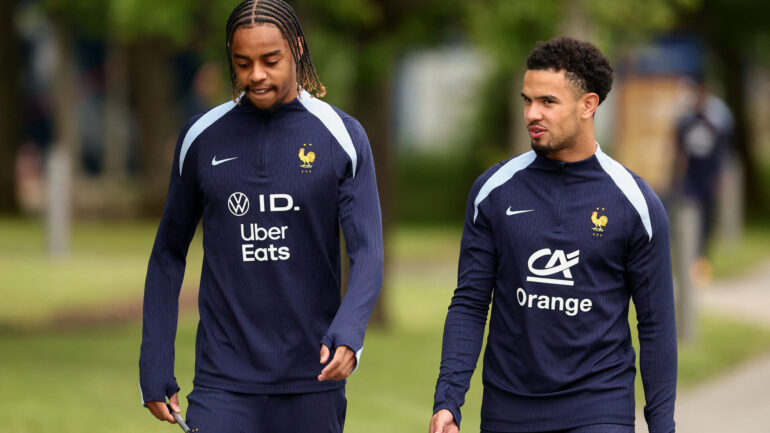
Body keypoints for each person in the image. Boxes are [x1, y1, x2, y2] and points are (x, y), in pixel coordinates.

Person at [139, 1, 384, 432]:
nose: (256, 74)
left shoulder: (342, 136)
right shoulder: (201, 138)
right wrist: (155, 358)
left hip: (314, 377)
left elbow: (367, 252)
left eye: (271, 60)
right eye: (242, 62)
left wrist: (350, 331)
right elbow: (167, 254)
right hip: (222, 384)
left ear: (297, 49)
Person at [429, 37, 677, 433]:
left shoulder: (636, 204)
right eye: (527, 100)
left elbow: (656, 324)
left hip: (599, 406)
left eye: (547, 101)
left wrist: (662, 426)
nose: (532, 113)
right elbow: (470, 303)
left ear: (588, 105)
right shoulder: (493, 191)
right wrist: (448, 401)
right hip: (508, 408)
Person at [674, 79, 733, 285]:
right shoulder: (685, 123)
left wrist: (721, 179)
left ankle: (701, 261)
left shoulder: (716, 124)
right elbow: (678, 153)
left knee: (707, 223)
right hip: (690, 180)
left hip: (708, 180)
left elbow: (721, 154)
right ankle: (688, 262)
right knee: (687, 221)